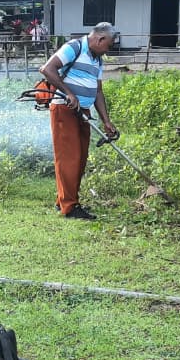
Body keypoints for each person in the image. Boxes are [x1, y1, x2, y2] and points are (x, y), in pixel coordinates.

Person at [38, 22, 119, 220]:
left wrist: (106, 121)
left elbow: (98, 91)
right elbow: (47, 69)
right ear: (100, 39)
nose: (108, 50)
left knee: (80, 157)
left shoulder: (97, 60)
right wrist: (68, 93)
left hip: (83, 111)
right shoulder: (75, 47)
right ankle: (70, 207)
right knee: (69, 157)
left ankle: (63, 200)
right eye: (108, 45)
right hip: (64, 108)